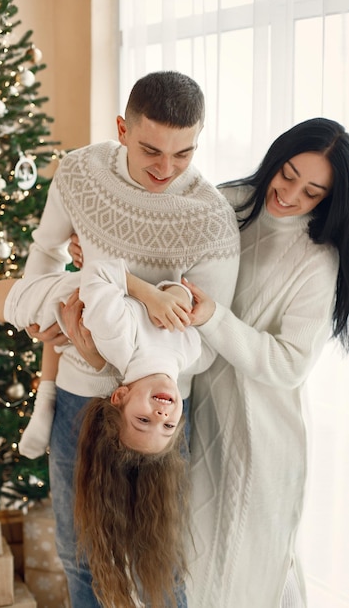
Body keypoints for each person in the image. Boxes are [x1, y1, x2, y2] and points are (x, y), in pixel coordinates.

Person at [70, 117, 349, 608]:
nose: (290, 195)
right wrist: (92, 253)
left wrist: (215, 317)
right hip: (188, 407)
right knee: (180, 561)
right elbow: (151, 258)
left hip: (259, 431)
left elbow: (290, 366)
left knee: (245, 567)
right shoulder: (225, 201)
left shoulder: (316, 258)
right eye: (286, 175)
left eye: (312, 192)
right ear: (274, 159)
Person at [24, 70, 240, 607]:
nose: (166, 169)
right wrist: (36, 314)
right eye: (151, 150)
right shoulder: (78, 174)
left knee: (159, 560)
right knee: (80, 555)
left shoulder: (211, 217)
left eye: (183, 154)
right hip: (79, 396)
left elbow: (207, 336)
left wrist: (110, 355)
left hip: (162, 416)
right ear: (122, 128)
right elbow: (46, 250)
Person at [0, 258, 217, 608]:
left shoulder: (118, 337)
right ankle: (45, 402)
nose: (160, 414)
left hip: (45, 302)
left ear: (120, 396)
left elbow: (98, 271)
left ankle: (44, 403)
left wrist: (149, 298)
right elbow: (180, 299)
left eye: (145, 421)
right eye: (167, 425)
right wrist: (170, 297)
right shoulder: (189, 354)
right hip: (82, 322)